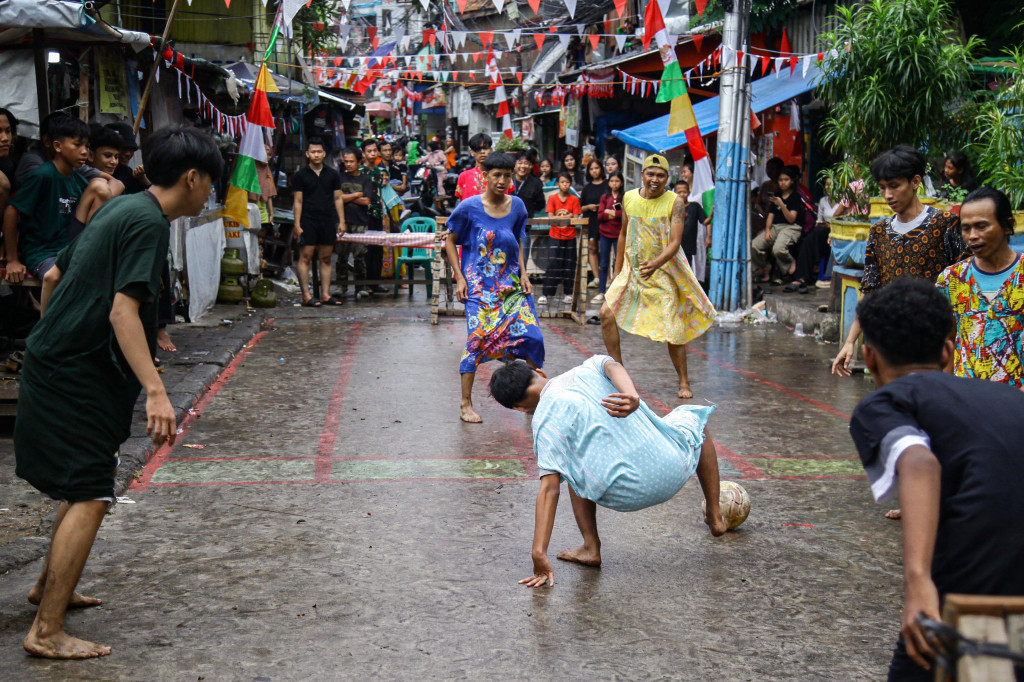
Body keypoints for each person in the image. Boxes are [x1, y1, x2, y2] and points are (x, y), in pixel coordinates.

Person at [16, 126, 223, 660]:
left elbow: (54, 278)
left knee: (84, 481)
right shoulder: (147, 223)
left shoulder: (119, 205)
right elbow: (122, 310)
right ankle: (45, 630)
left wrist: (54, 331)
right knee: (90, 491)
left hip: (64, 362)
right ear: (193, 177)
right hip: (74, 373)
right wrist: (157, 391)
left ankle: (47, 587)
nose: (210, 196)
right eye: (211, 185)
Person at [848, 278, 1024, 681]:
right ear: (949, 351)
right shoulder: (1011, 399)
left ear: (869, 357)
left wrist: (918, 582)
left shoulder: (886, 401)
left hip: (981, 597)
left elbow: (918, 463)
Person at [488, 356, 726, 588]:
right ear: (539, 373)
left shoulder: (543, 424)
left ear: (519, 407)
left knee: (568, 467)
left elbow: (549, 489)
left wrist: (538, 553)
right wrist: (631, 395)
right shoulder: (589, 367)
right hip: (672, 465)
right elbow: (613, 365)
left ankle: (591, 547)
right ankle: (715, 515)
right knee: (697, 422)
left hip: (628, 493)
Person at [833, 146, 966, 376]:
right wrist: (850, 341)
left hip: (938, 345)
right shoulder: (879, 232)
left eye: (894, 186)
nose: (887, 195)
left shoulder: (945, 223)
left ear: (915, 182)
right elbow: (870, 289)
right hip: (892, 345)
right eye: (883, 187)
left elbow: (966, 281)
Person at [598, 154, 716, 400]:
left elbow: (675, 242)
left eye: (660, 175)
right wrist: (617, 271)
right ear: (642, 175)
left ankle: (683, 380)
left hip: (663, 271)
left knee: (673, 329)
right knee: (606, 314)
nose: (654, 179)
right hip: (633, 270)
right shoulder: (629, 198)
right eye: (650, 174)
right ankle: (619, 373)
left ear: (667, 178)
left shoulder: (675, 202)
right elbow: (622, 235)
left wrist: (655, 264)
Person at [443, 152, 544, 424]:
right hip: (479, 289)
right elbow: (450, 241)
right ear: (484, 176)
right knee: (476, 341)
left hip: (511, 287)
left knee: (532, 338)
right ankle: (465, 404)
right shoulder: (469, 207)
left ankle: (535, 400)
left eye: (507, 175)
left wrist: (524, 274)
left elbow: (519, 241)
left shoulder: (519, 206)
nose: (502, 181)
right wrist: (460, 277)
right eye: (496, 175)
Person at [936, 187, 1024, 387]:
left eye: (981, 226)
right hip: (966, 403)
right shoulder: (951, 279)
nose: (972, 236)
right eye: (966, 228)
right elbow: (946, 341)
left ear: (1007, 226)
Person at [3, 117, 93, 283]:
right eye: (77, 145)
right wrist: (13, 260)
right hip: (42, 253)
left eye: (87, 146)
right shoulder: (43, 175)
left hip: (68, 253)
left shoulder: (80, 182)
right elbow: (11, 211)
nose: (84, 151)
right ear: (57, 146)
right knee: (65, 282)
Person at [291, 140, 346, 307]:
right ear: (307, 154)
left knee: (326, 258)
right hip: (308, 220)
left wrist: (341, 221)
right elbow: (298, 201)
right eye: (313, 152)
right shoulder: (301, 175)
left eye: (319, 152)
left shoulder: (333, 174)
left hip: (328, 219)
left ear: (324, 154)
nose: (316, 155)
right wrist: (297, 224)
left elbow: (338, 198)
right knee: (305, 257)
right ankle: (306, 296)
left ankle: (325, 295)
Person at [784, 178, 845, 294]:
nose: (828, 187)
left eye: (831, 185)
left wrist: (830, 226)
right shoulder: (823, 201)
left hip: (838, 231)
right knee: (809, 239)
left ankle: (815, 273)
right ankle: (802, 277)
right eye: (827, 184)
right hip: (824, 230)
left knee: (817, 235)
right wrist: (823, 225)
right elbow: (819, 220)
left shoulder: (844, 201)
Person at [66, 125, 124, 242]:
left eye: (116, 157)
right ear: (91, 155)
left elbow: (119, 184)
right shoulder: (78, 175)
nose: (113, 162)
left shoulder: (112, 181)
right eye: (108, 156)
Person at [751, 165, 804, 284]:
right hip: (775, 227)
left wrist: (781, 204)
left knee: (778, 249)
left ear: (792, 181)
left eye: (786, 180)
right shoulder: (777, 196)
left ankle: (790, 263)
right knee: (754, 245)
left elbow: (791, 219)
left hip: (791, 228)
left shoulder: (796, 197)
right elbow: (771, 215)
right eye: (781, 180)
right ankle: (764, 267)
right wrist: (768, 230)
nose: (783, 183)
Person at [336, 146, 375, 300]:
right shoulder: (340, 178)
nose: (349, 164)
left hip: (361, 222)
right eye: (346, 161)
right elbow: (337, 199)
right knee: (342, 256)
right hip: (342, 221)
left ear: (359, 162)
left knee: (360, 256)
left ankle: (360, 286)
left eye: (352, 161)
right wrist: (357, 194)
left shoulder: (366, 179)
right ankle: (341, 286)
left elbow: (366, 201)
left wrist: (346, 196)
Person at [541, 172, 583, 306]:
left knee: (569, 264)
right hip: (555, 235)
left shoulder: (574, 200)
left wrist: (566, 218)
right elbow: (551, 217)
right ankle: (546, 294)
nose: (565, 185)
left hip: (570, 236)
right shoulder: (553, 199)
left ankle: (568, 293)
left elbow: (576, 219)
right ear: (558, 183)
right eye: (562, 182)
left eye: (567, 182)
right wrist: (568, 216)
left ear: (570, 184)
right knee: (553, 263)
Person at [593, 170, 624, 304]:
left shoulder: (624, 197)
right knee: (604, 263)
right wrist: (614, 213)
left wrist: (611, 212)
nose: (614, 183)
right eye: (612, 181)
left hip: (619, 235)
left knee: (619, 263)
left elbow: (624, 215)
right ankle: (601, 291)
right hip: (605, 234)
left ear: (621, 182)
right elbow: (600, 215)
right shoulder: (605, 197)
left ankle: (617, 293)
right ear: (609, 182)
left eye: (617, 181)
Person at [512, 150, 546, 271]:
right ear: (515, 164)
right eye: (520, 162)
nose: (522, 166)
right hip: (505, 226)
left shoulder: (535, 183)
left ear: (531, 166)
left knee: (522, 262)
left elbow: (541, 203)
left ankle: (520, 287)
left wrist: (529, 211)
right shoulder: (508, 179)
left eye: (526, 163)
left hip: (524, 228)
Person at [579, 159, 608, 293]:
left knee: (605, 249)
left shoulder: (608, 185)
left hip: (605, 221)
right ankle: (597, 277)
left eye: (597, 168)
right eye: (592, 169)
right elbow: (580, 207)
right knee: (592, 249)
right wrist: (589, 207)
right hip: (591, 220)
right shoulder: (587, 188)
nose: (594, 171)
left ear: (601, 169)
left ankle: (606, 278)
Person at [675, 178, 709, 283]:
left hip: (688, 246)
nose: (682, 194)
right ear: (675, 193)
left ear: (689, 192)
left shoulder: (695, 207)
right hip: (673, 246)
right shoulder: (672, 207)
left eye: (684, 192)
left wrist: (712, 215)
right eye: (679, 192)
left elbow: (705, 222)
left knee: (686, 271)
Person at [454, 133, 493, 200]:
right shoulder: (464, 176)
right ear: (472, 152)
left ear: (491, 150)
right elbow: (461, 204)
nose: (482, 152)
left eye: (485, 148)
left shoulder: (500, 175)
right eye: (478, 149)